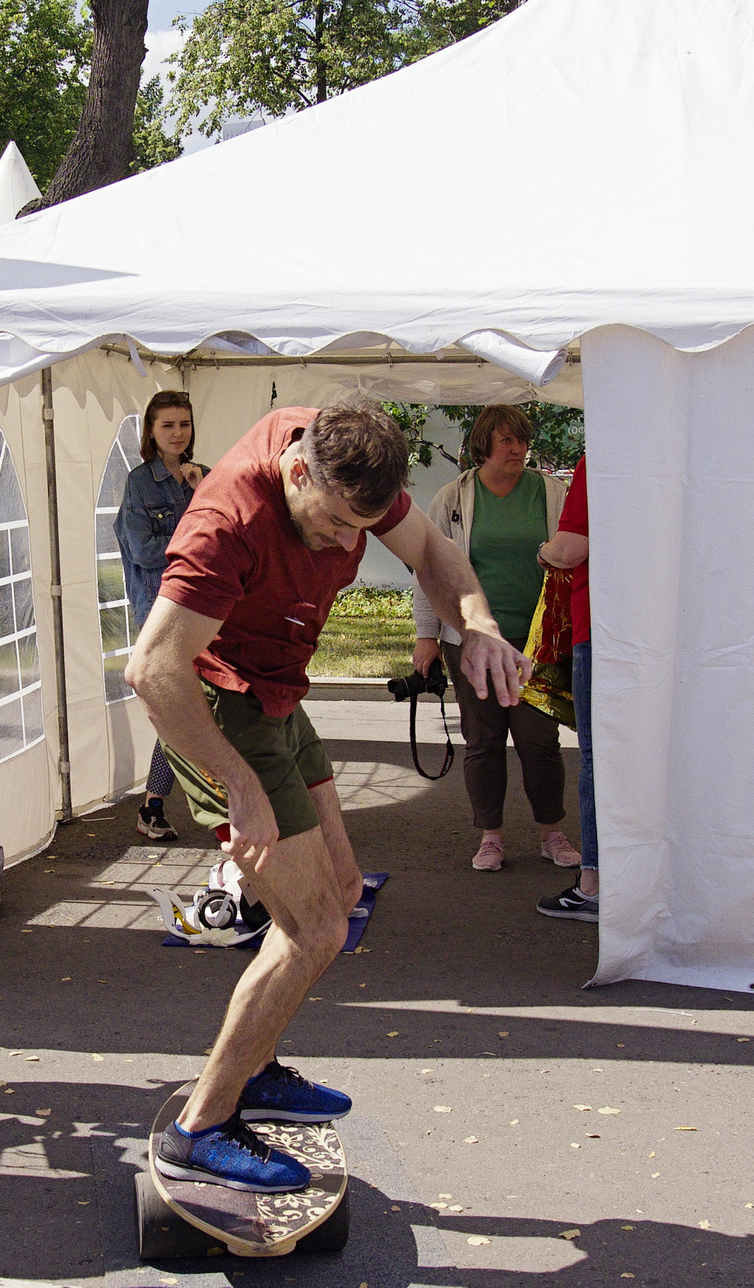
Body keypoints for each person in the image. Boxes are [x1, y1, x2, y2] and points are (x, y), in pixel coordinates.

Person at [128, 399, 527, 1192]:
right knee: (314, 928)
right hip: (217, 703)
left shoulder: (346, 451)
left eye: (362, 529)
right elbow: (151, 670)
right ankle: (199, 1127)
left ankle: (257, 1066)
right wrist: (239, 787)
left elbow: (431, 550)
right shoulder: (227, 522)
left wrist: (478, 622)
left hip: (278, 691)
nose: (350, 544)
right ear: (297, 471)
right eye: (338, 524)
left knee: (339, 893)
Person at [410, 405, 574, 872]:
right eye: (507, 440)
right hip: (469, 639)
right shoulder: (453, 497)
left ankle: (552, 833)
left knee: (539, 740)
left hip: (537, 641)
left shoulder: (551, 492)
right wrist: (426, 635)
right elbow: (428, 568)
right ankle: (490, 837)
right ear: (484, 444)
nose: (517, 449)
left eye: (522, 440)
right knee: (483, 739)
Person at [115, 389, 204, 841]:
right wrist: (194, 543)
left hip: (208, 608)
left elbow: (227, 535)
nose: (177, 433)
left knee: (202, 706)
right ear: (150, 432)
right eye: (167, 425)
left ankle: (162, 802)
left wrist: (200, 491)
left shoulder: (204, 477)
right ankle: (154, 804)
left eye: (184, 424)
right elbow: (143, 551)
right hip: (161, 610)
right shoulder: (139, 483)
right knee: (177, 708)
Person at [534, 453, 596, 920]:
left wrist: (544, 551)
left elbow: (570, 548)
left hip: (600, 627)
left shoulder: (601, 459)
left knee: (598, 760)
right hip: (662, 632)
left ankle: (593, 884)